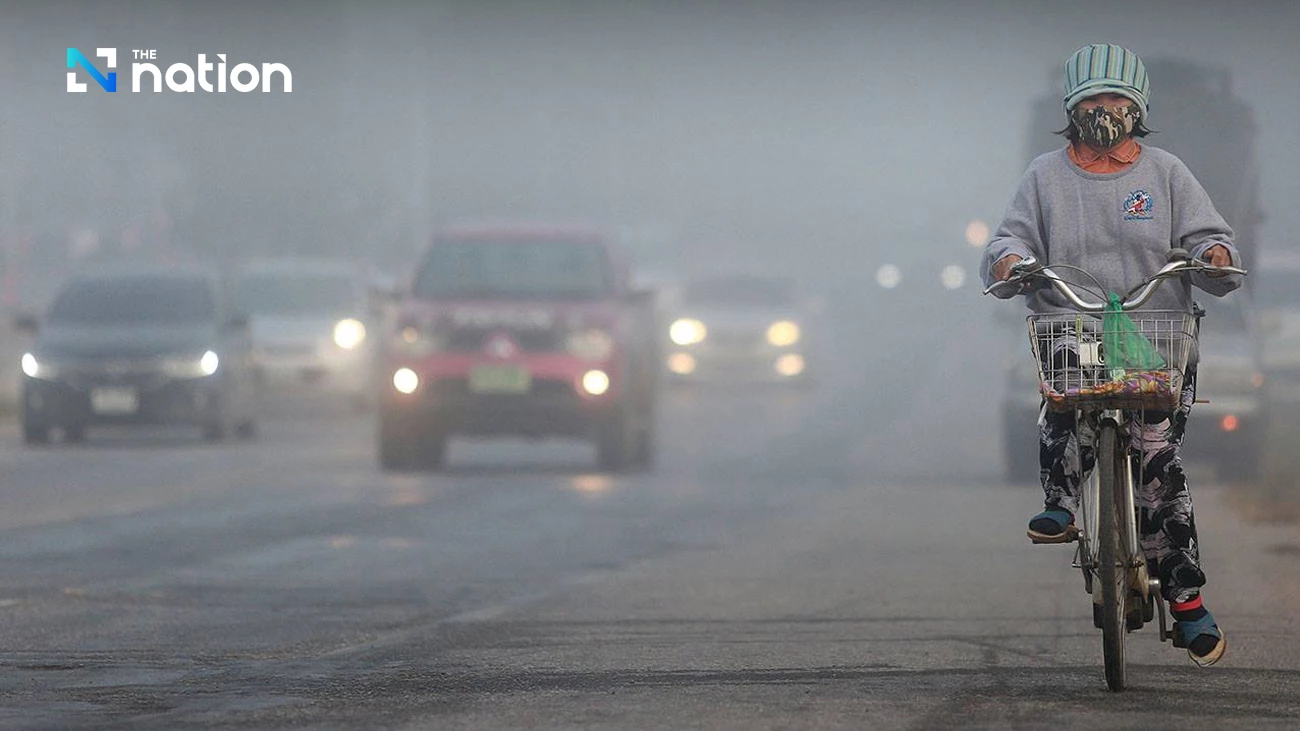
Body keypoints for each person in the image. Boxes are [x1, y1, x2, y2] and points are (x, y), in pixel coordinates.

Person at [981, 43, 1243, 667]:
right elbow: (1009, 237)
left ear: (1138, 108)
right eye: (1093, 100)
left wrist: (1213, 258)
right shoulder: (1045, 175)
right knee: (1063, 405)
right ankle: (1060, 504)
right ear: (1072, 108)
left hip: (1154, 334)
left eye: (1117, 100)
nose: (1105, 110)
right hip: (1071, 321)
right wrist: (1011, 261)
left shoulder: (1167, 173)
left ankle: (1185, 601)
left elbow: (1212, 238)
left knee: (1159, 459)